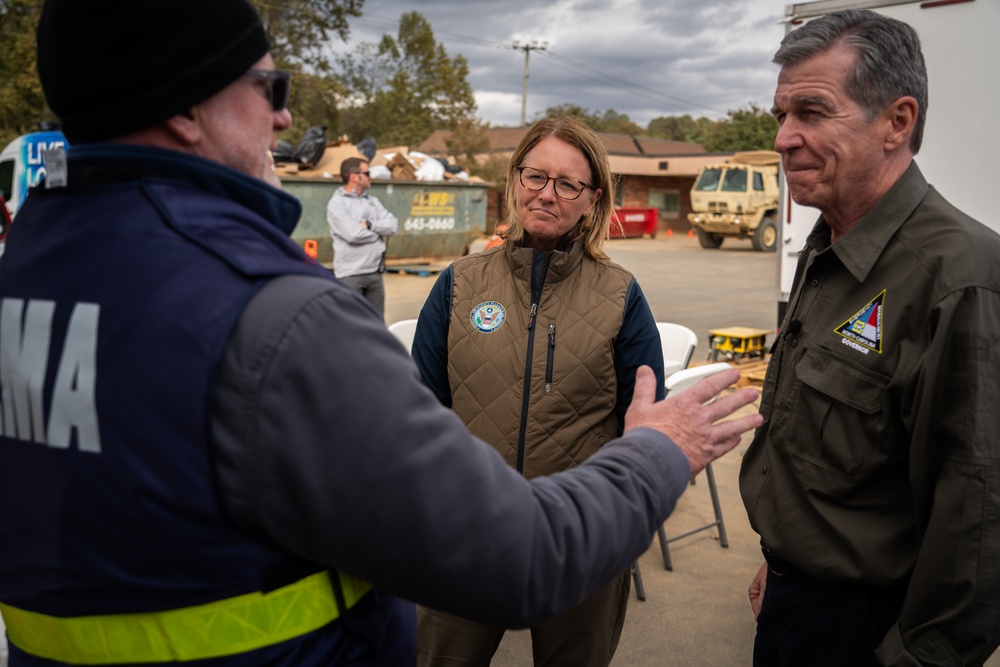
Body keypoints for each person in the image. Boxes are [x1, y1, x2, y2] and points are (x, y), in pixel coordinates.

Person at [0, 0, 763, 665]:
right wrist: (662, 450)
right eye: (269, 87)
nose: (284, 117)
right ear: (183, 104)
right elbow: (524, 553)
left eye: (570, 182)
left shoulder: (30, 270)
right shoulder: (278, 315)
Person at [740, 9, 1000, 666]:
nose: (783, 139)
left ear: (897, 121)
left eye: (812, 112)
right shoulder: (826, 249)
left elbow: (978, 523)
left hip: (871, 626)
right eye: (780, 116)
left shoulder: (960, 277)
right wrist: (783, 555)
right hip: (792, 599)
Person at [411, 115, 663, 667]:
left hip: (581, 541)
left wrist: (613, 522)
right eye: (535, 176)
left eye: (567, 183)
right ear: (515, 179)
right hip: (468, 536)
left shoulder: (620, 296)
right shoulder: (459, 284)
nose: (547, 194)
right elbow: (418, 413)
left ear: (592, 200)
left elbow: (645, 428)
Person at [326, 156, 398, 319]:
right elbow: (353, 235)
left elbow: (392, 226)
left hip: (374, 274)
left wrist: (370, 225)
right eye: (367, 173)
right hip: (351, 275)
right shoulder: (337, 204)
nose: (370, 176)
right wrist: (379, 231)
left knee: (377, 325)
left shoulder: (372, 201)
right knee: (350, 325)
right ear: (354, 177)